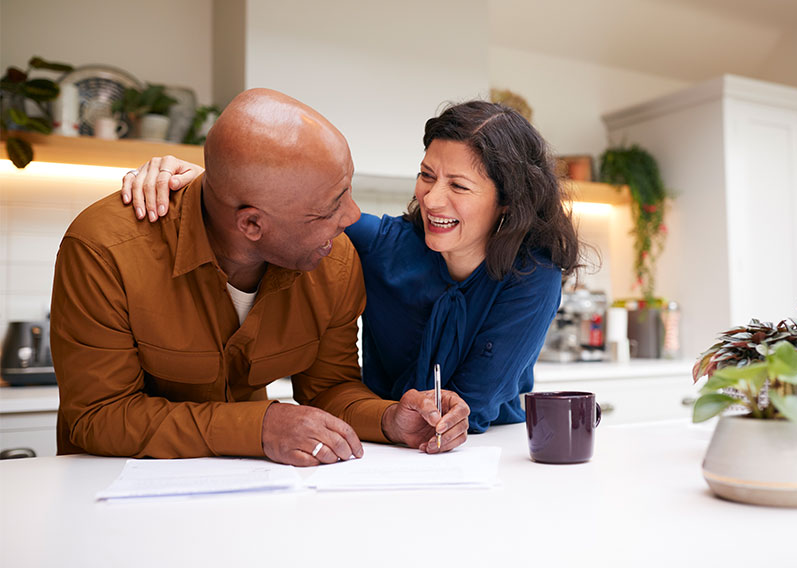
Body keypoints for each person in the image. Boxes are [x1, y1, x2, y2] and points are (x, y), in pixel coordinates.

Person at [51, 88, 469, 466]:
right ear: (251, 225)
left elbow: (329, 388)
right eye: (329, 208)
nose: (352, 217)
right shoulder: (104, 250)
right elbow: (98, 415)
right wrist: (260, 427)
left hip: (247, 494)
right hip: (108, 493)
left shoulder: (333, 259)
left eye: (348, 190)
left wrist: (390, 418)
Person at [123, 101, 587, 433]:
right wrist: (204, 181)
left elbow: (473, 408)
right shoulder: (386, 245)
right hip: (381, 438)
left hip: (485, 453)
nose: (432, 198)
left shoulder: (533, 275)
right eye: (427, 176)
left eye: (458, 186)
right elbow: (290, 211)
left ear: (508, 202)